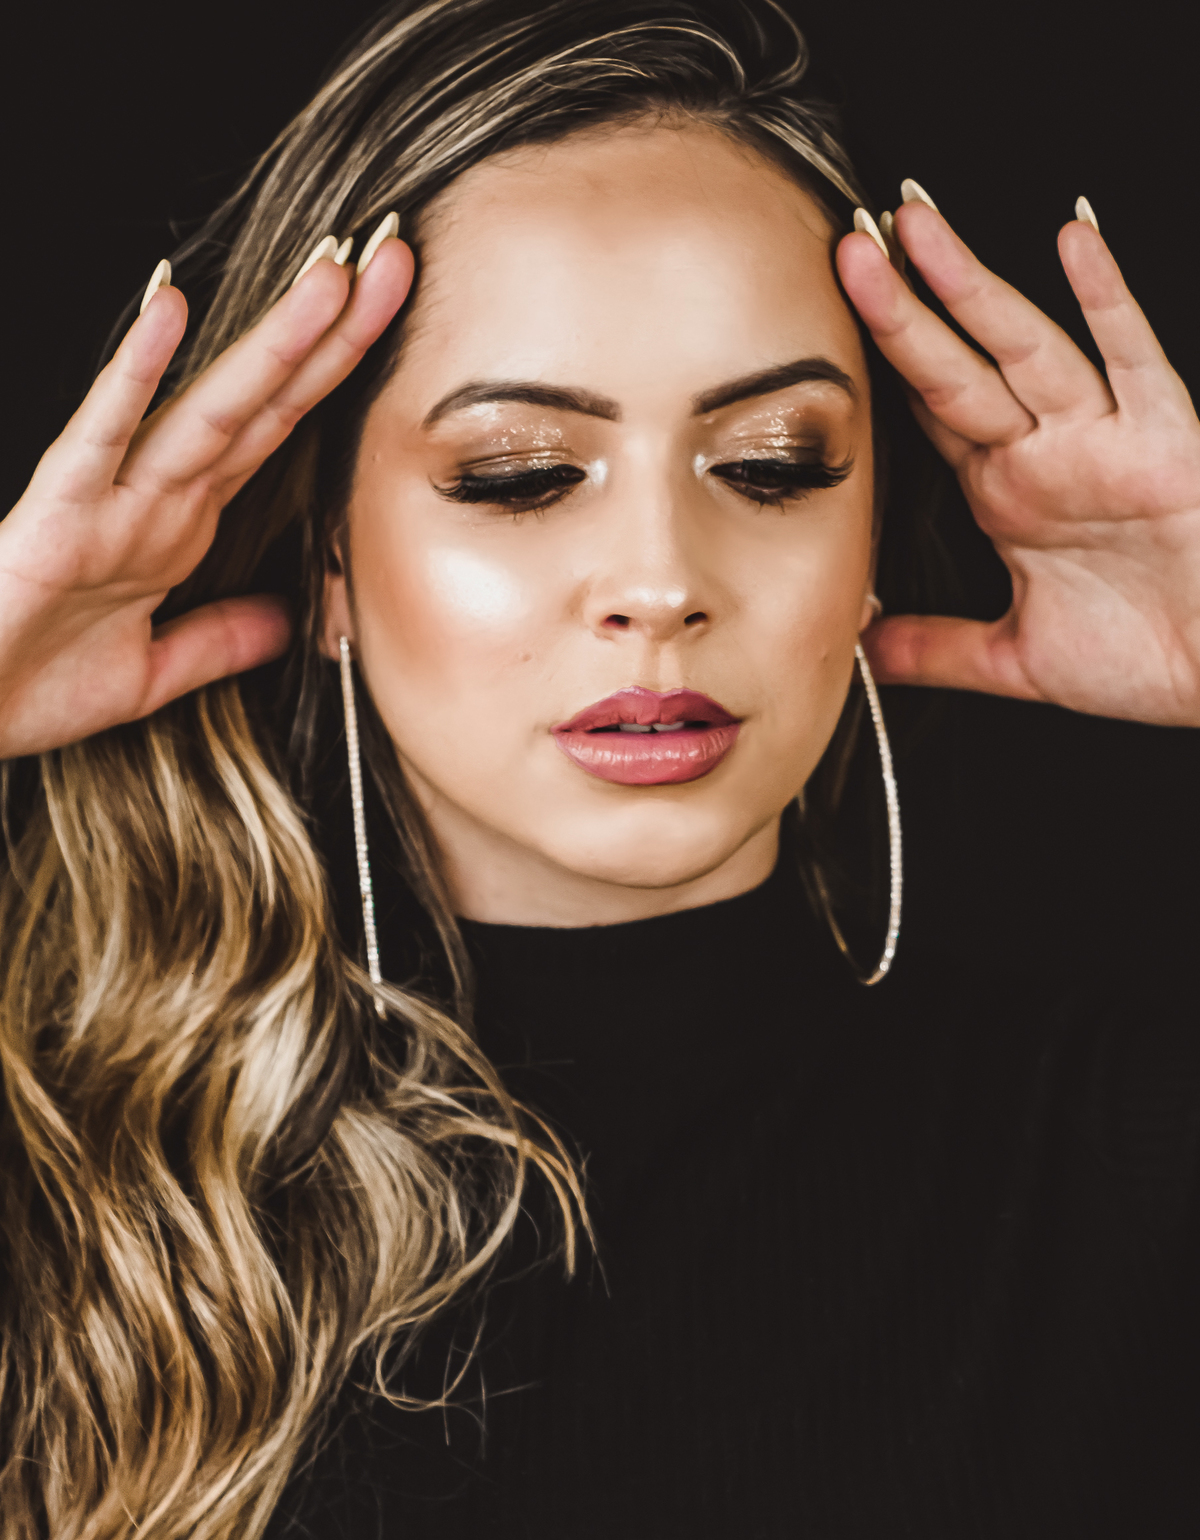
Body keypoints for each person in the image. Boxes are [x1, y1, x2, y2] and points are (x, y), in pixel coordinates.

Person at [2, 1, 1198, 1536]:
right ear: (330, 553)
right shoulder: (57, 1185)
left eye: (772, 464)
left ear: (869, 543)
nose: (660, 582)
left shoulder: (1120, 1164)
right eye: (520, 474)